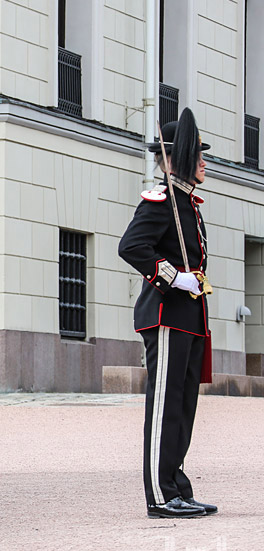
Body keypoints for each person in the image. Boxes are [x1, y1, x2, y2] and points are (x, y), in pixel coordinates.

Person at [118, 107, 217, 519]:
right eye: (199, 155)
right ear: (181, 158)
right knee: (164, 404)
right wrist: (174, 278)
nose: (205, 163)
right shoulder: (161, 202)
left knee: (183, 405)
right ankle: (160, 494)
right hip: (165, 315)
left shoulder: (186, 204)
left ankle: (176, 483)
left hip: (188, 317)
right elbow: (131, 247)